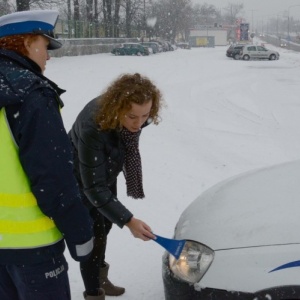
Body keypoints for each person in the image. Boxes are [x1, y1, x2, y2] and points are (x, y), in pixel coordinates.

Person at [0, 10, 94, 300]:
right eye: (44, 45)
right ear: (25, 42)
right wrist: (80, 234)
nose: (48, 55)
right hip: (33, 248)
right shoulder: (31, 94)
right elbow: (53, 177)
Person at [68, 73, 164, 300]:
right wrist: (129, 221)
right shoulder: (94, 126)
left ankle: (100, 277)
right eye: (132, 116)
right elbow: (92, 187)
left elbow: (126, 137)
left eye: (145, 115)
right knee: (94, 234)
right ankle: (94, 293)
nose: (138, 123)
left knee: (107, 225)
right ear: (116, 107)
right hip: (79, 176)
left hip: (106, 171)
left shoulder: (133, 118)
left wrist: (120, 218)